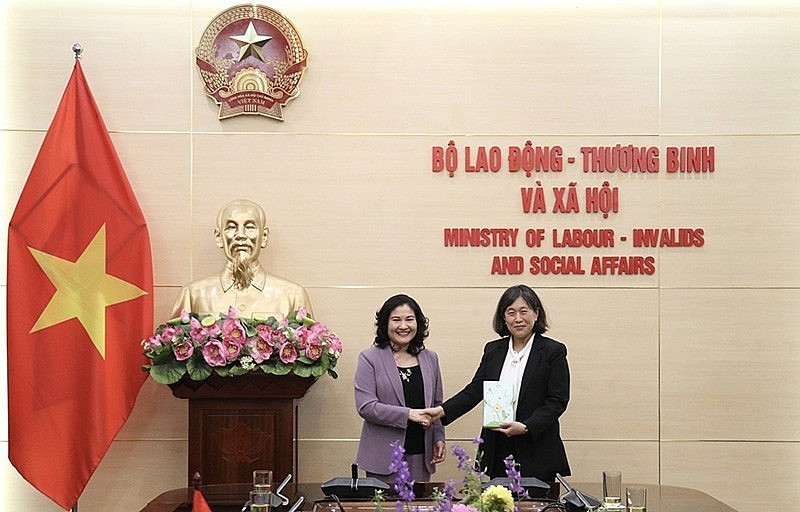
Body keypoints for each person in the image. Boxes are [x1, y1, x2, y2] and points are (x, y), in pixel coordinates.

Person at [422, 284, 570, 483]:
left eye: (523, 311)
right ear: (504, 318)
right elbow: (475, 389)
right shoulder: (494, 350)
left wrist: (526, 426)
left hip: (538, 447)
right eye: (511, 313)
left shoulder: (553, 351)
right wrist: (442, 411)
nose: (518, 319)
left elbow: (557, 401)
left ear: (536, 314)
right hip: (498, 445)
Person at [354, 294, 446, 484]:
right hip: (383, 457)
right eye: (396, 320)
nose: (403, 326)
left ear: (418, 323)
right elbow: (366, 406)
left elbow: (436, 404)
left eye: (409, 319)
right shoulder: (369, 358)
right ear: (385, 324)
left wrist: (439, 438)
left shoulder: (431, 358)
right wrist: (408, 414)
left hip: (421, 454)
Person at [171, 199, 312, 318]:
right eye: (231, 227)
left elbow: (308, 347)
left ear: (263, 237)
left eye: (250, 227)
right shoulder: (193, 295)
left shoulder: (292, 296)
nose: (240, 235)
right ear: (219, 237)